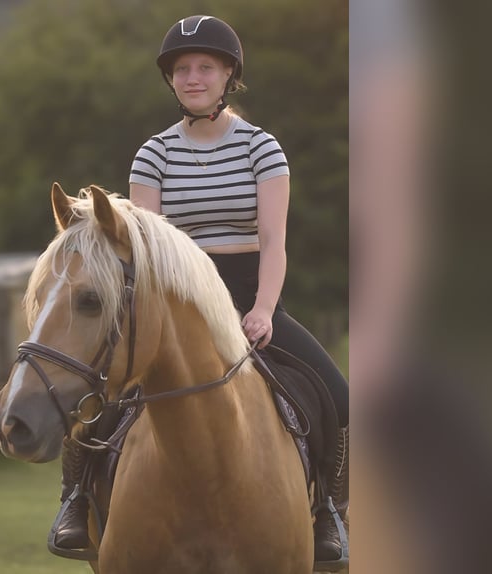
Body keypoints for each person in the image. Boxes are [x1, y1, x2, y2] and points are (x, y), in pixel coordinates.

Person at [53, 15, 349, 571]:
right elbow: (145, 243)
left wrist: (263, 309)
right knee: (97, 391)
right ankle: (75, 500)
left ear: (227, 74)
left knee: (340, 395)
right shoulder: (153, 154)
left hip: (250, 291)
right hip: (177, 301)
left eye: (204, 67)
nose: (192, 77)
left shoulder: (263, 149)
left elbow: (273, 240)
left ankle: (331, 509)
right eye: (182, 69)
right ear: (171, 80)